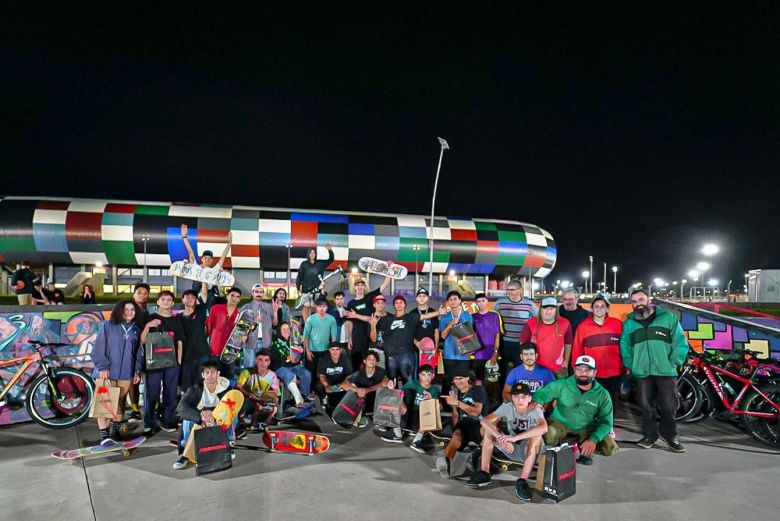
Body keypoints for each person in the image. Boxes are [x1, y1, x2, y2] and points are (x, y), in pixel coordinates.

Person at [620, 288, 688, 453]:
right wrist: (632, 364)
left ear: (649, 300)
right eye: (634, 301)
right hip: (642, 372)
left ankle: (670, 437)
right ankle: (650, 436)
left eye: (641, 300)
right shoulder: (629, 324)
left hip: (665, 371)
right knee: (645, 405)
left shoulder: (668, 318)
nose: (638, 304)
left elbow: (680, 341)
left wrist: (674, 361)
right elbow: (625, 346)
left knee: (668, 406)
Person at [467, 383, 547, 501]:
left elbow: (544, 428)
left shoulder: (535, 409)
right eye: (516, 396)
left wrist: (514, 438)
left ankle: (522, 481)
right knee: (489, 431)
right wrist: (500, 437)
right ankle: (484, 472)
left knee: (536, 436)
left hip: (532, 453)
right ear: (512, 398)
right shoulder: (507, 407)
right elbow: (484, 421)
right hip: (512, 448)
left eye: (523, 397)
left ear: (530, 398)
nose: (520, 400)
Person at [532, 355, 618, 465]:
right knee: (548, 434)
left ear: (594, 373)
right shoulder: (562, 384)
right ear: (574, 370)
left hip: (586, 427)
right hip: (560, 423)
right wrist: (538, 400)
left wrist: (593, 439)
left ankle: (585, 450)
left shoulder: (603, 394)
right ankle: (557, 450)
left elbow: (606, 422)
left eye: (587, 370)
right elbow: (543, 392)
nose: (583, 373)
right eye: (579, 369)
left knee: (609, 448)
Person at [92, 300, 143, 442]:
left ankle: (115, 432)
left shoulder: (135, 329)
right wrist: (103, 367)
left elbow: (138, 352)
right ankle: (104, 436)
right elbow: (98, 348)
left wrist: (137, 370)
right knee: (105, 402)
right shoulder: (107, 326)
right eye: (126, 309)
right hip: (107, 371)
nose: (129, 312)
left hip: (126, 372)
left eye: (132, 309)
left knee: (119, 401)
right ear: (119, 311)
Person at [172, 360, 234, 470]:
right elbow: (181, 407)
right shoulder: (195, 389)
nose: (210, 376)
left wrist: (214, 414)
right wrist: (200, 416)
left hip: (218, 419)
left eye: (213, 372)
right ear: (202, 374)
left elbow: (236, 405)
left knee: (233, 412)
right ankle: (185, 453)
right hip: (201, 420)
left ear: (218, 373)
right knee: (187, 419)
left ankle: (229, 444)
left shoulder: (226, 387)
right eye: (207, 372)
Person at [140, 290, 186, 434]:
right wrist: (148, 326)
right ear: (158, 302)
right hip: (153, 363)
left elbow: (179, 342)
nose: (166, 302)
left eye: (169, 300)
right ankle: (149, 422)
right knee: (151, 393)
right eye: (163, 299)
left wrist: (178, 361)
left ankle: (167, 420)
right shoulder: (150, 318)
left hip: (171, 363)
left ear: (172, 303)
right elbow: (142, 340)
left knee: (170, 393)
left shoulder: (176, 320)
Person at [369, 295, 440, 384]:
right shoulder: (386, 319)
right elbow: (373, 338)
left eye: (401, 302)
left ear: (405, 305)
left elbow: (425, 316)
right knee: (391, 383)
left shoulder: (411, 317)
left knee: (408, 383)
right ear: (394, 305)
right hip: (391, 356)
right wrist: (372, 326)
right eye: (396, 303)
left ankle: (408, 398)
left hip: (406, 355)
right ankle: (395, 398)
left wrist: (438, 312)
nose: (398, 304)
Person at [571, 294, 624, 407]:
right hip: (593, 372)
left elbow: (625, 347)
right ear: (592, 308)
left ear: (607, 309)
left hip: (615, 372)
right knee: (593, 401)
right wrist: (576, 369)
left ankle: (609, 424)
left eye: (602, 306)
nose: (599, 308)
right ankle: (594, 424)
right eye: (596, 306)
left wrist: (627, 366)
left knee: (612, 401)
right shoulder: (583, 326)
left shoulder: (618, 324)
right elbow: (577, 349)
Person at [435, 369, 488, 478]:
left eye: (461, 378)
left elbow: (477, 412)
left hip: (479, 422)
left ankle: (476, 457)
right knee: (456, 437)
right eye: (455, 379)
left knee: (486, 432)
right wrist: (455, 430)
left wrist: (457, 403)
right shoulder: (455, 392)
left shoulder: (478, 390)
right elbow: (455, 414)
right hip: (464, 424)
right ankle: (447, 462)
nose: (458, 381)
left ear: (468, 378)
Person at [382, 363, 440, 449]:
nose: (427, 377)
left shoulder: (435, 390)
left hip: (421, 420)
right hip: (408, 414)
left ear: (433, 376)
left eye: (429, 375)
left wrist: (431, 401)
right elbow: (400, 394)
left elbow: (439, 407)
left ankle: (417, 441)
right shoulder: (413, 384)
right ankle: (397, 434)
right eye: (424, 375)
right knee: (396, 397)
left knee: (431, 411)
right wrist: (393, 389)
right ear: (420, 376)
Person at [493, 279, 538, 385]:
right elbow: (493, 319)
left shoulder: (529, 304)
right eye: (508, 290)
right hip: (504, 344)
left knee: (521, 371)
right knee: (503, 371)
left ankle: (520, 394)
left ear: (520, 290)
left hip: (521, 344)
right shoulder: (500, 303)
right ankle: (503, 397)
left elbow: (536, 322)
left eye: (512, 290)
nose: (510, 292)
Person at [345, 275, 392, 369]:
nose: (360, 287)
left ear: (364, 287)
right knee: (355, 363)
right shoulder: (351, 303)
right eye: (357, 285)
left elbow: (385, 284)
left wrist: (389, 270)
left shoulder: (369, 297)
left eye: (362, 285)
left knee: (371, 361)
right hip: (357, 337)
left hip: (370, 336)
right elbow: (349, 322)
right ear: (354, 287)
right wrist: (349, 338)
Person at [519, 296, 573, 379]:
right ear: (540, 309)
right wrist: (528, 362)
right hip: (536, 367)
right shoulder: (531, 323)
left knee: (560, 391)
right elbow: (523, 344)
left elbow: (568, 344)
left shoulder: (565, 323)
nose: (548, 311)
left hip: (558, 368)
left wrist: (566, 361)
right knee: (538, 392)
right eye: (545, 308)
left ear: (556, 310)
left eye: (552, 308)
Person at [181, 224, 233, 306]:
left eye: (209, 258)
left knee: (219, 300)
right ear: (201, 259)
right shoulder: (196, 267)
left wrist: (229, 243)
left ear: (212, 260)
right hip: (197, 294)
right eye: (205, 258)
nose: (207, 259)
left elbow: (223, 256)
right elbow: (190, 252)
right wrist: (184, 237)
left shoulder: (214, 270)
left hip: (210, 297)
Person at [236, 349, 280, 434]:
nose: (263, 364)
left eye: (266, 360)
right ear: (256, 360)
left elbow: (276, 394)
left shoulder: (272, 375)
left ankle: (263, 423)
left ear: (269, 362)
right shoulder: (247, 372)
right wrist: (249, 395)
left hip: (261, 400)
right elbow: (238, 387)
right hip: (248, 399)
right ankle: (241, 422)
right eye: (260, 360)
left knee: (275, 408)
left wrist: (264, 397)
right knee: (240, 399)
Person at [269, 321, 312, 407]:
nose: (286, 331)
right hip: (280, 367)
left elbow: (300, 359)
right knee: (289, 375)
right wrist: (286, 358)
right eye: (283, 329)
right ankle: (299, 401)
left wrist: (301, 351)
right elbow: (273, 360)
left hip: (294, 366)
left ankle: (304, 396)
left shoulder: (294, 340)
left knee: (306, 374)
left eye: (288, 329)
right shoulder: (275, 342)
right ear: (279, 331)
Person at [439, 290, 474, 394]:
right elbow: (443, 336)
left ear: (460, 301)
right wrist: (451, 324)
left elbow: (470, 335)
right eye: (450, 299)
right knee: (448, 381)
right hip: (449, 354)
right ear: (448, 302)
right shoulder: (445, 317)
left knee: (463, 382)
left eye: (455, 299)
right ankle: (446, 406)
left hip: (463, 355)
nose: (453, 301)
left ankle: (463, 403)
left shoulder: (467, 316)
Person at [342, 349, 388, 427]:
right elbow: (343, 384)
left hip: (376, 399)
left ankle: (382, 418)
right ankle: (359, 417)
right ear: (364, 361)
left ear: (377, 362)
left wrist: (369, 389)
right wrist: (357, 390)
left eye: (374, 359)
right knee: (354, 388)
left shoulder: (381, 371)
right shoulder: (358, 374)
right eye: (369, 358)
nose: (371, 361)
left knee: (387, 389)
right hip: (364, 400)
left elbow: (385, 382)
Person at [128, 282, 153, 421]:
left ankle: (153, 408)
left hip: (147, 349)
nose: (142, 295)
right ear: (134, 295)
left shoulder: (148, 311)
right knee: (133, 380)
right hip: (132, 350)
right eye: (139, 292)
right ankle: (134, 409)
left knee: (150, 380)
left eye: (145, 293)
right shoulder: (128, 310)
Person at [205, 287, 243, 379]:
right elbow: (208, 326)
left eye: (237, 297)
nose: (234, 298)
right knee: (213, 376)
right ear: (227, 296)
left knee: (228, 377)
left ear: (239, 300)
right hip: (215, 349)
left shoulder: (240, 314)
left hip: (230, 352)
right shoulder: (215, 309)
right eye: (232, 295)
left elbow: (240, 333)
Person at [179, 286, 211, 392]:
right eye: (187, 297)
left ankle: (201, 406)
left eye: (193, 297)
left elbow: (204, 295)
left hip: (202, 353)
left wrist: (204, 275)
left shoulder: (200, 312)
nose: (190, 299)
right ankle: (185, 405)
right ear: (182, 300)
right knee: (186, 383)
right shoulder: (177, 318)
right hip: (185, 355)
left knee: (201, 381)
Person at [241, 283, 279, 370]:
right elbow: (241, 327)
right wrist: (255, 321)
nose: (259, 294)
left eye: (261, 292)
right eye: (256, 292)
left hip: (265, 341)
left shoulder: (269, 307)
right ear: (252, 293)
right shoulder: (246, 307)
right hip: (250, 341)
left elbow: (275, 324)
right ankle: (249, 383)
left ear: (263, 294)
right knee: (249, 367)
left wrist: (275, 311)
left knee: (263, 367)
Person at [295, 243, 334, 321]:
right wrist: (298, 288)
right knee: (306, 308)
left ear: (316, 254)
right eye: (311, 252)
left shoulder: (320, 263)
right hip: (306, 290)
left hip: (318, 290)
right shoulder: (304, 264)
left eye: (314, 252)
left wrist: (330, 250)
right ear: (308, 254)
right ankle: (307, 325)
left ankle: (317, 324)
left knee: (318, 307)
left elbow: (330, 260)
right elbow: (299, 276)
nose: (312, 254)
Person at [303, 295, 338, 377]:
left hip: (325, 350)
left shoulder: (331, 319)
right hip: (312, 350)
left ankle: (323, 388)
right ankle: (311, 389)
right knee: (311, 372)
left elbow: (333, 338)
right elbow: (305, 336)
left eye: (324, 306)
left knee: (325, 372)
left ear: (327, 307)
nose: (322, 308)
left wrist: (332, 352)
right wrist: (307, 351)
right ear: (316, 307)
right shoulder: (310, 319)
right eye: (319, 306)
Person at [471, 292, 502, 385]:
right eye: (478, 301)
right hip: (478, 354)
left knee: (492, 381)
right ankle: (480, 398)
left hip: (491, 354)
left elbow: (497, 335)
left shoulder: (495, 316)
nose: (481, 303)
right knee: (478, 380)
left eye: (483, 301)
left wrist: (496, 352)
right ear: (476, 303)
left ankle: (492, 399)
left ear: (487, 301)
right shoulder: (472, 317)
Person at [316, 341, 353, 417]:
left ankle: (346, 402)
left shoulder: (345, 359)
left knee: (352, 384)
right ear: (329, 350)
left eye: (337, 349)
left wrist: (345, 382)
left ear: (341, 350)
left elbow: (349, 374)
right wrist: (326, 385)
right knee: (319, 385)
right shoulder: (324, 359)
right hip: (329, 380)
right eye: (332, 349)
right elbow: (321, 375)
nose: (335, 352)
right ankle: (324, 399)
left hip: (341, 380)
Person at [410, 287, 440, 363]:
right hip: (416, 347)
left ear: (428, 298)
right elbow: (409, 332)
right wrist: (416, 342)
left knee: (430, 370)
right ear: (416, 298)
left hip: (431, 347)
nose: (422, 298)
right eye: (419, 296)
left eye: (424, 296)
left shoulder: (433, 312)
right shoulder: (412, 313)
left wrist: (436, 346)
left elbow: (436, 331)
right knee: (417, 372)